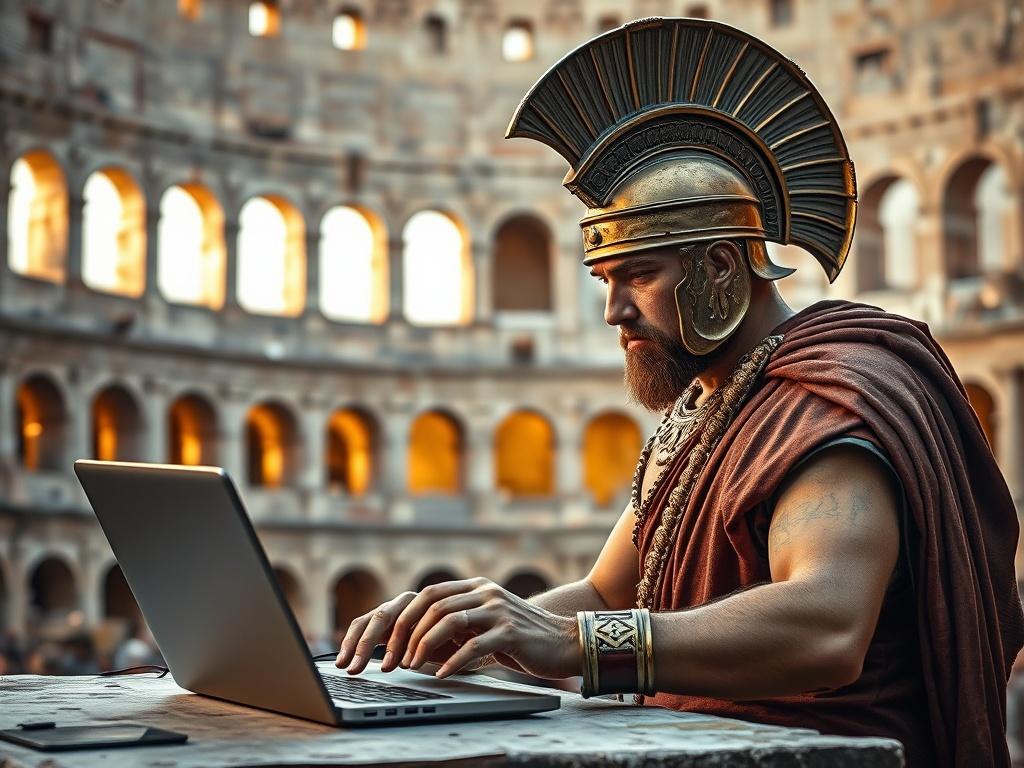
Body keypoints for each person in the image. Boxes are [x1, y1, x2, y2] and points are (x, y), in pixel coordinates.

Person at [336, 17, 1023, 766]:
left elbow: (827, 625)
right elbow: (604, 595)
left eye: (638, 277)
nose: (614, 311)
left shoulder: (829, 398)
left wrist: (569, 644)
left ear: (723, 268)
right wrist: (472, 630)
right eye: (606, 281)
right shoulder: (705, 404)